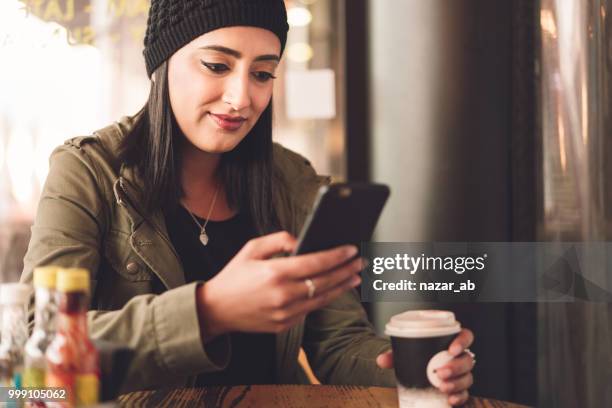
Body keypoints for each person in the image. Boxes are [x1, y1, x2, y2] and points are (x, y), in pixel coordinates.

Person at [20, 0, 475, 405]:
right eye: (217, 66)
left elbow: (337, 344)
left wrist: (410, 372)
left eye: (262, 74)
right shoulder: (86, 172)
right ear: (162, 64)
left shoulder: (292, 181)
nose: (242, 99)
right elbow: (36, 369)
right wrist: (209, 310)